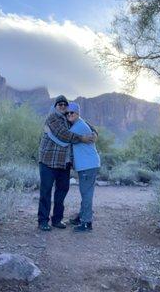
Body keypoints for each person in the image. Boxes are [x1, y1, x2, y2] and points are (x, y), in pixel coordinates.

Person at [37, 95, 96, 231]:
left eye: (65, 104)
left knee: (62, 191)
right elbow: (63, 135)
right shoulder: (52, 118)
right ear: (55, 106)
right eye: (60, 104)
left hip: (64, 164)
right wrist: (82, 138)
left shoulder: (68, 119)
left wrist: (94, 133)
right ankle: (43, 221)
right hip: (48, 162)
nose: (63, 106)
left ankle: (57, 219)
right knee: (45, 192)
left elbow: (86, 124)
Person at [66, 102, 100, 232]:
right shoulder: (78, 123)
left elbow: (65, 136)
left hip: (88, 165)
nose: (69, 115)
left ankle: (86, 222)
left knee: (86, 194)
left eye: (72, 113)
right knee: (85, 192)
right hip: (87, 165)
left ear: (78, 114)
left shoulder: (78, 127)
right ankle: (82, 217)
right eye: (67, 113)